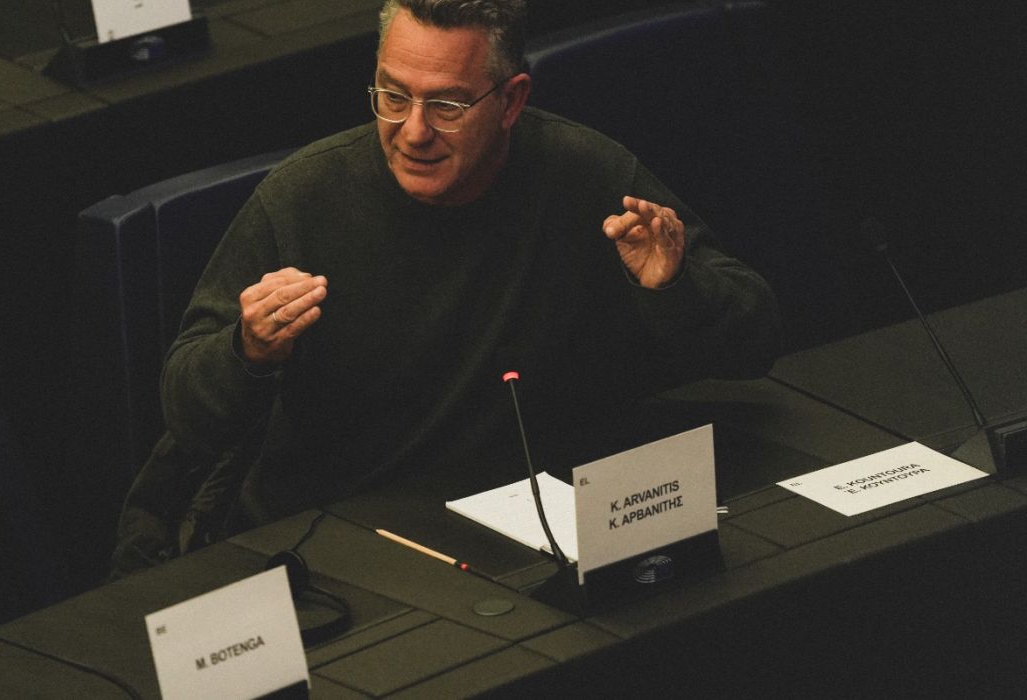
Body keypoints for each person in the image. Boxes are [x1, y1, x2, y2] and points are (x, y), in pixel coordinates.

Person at [112, 0, 780, 575]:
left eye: (447, 105)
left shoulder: (586, 175)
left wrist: (674, 290)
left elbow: (757, 341)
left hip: (531, 531)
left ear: (512, 100)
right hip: (342, 544)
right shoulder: (301, 201)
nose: (413, 132)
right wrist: (248, 350)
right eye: (392, 95)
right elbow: (186, 412)